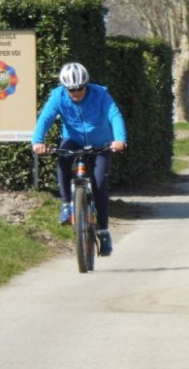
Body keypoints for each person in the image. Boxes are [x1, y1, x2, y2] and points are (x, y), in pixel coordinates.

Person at [31, 62, 127, 256]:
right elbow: (46, 118)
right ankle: (67, 204)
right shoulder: (58, 96)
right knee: (63, 159)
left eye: (80, 88)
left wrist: (119, 139)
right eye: (71, 90)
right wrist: (37, 141)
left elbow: (114, 114)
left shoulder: (100, 94)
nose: (76, 93)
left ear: (86, 85)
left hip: (101, 142)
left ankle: (103, 232)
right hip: (73, 140)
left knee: (99, 185)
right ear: (64, 87)